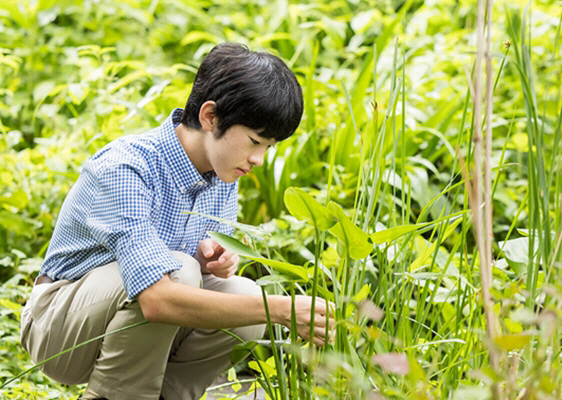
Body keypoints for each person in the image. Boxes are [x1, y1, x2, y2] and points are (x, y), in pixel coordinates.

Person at [20, 43, 335, 400]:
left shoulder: (223, 173)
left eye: (269, 146)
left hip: (135, 325)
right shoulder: (127, 167)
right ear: (210, 117)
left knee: (244, 295)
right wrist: (281, 309)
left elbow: (192, 277)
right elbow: (157, 300)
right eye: (254, 141)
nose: (260, 158)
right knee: (180, 272)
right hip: (58, 328)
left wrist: (212, 263)